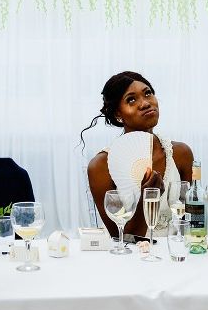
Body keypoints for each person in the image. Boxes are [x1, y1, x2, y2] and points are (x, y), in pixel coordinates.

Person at [83, 71, 194, 238]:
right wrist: (148, 197)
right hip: (130, 259)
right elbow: (120, 238)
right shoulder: (100, 165)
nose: (145, 103)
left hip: (174, 255)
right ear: (118, 114)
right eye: (131, 100)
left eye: (148, 93)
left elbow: (189, 223)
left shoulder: (181, 154)